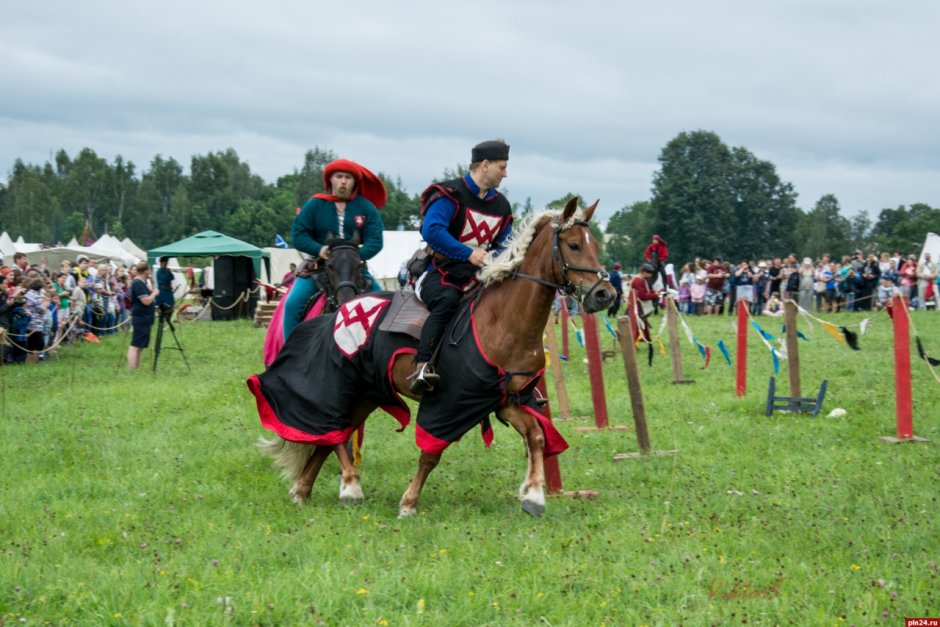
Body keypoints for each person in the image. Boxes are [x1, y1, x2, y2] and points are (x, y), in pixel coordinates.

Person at [410, 140, 513, 393]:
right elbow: (432, 230)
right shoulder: (450, 194)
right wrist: (467, 253)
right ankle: (423, 367)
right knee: (447, 300)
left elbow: (504, 243)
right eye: (502, 167)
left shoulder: (503, 206)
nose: (506, 173)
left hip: (480, 276)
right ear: (485, 165)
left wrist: (496, 260)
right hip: (439, 272)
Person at [281, 158, 387, 341]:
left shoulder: (365, 207)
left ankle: (382, 357)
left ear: (355, 182)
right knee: (292, 304)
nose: (343, 181)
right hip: (319, 268)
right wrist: (318, 249)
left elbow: (376, 240)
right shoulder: (315, 205)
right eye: (339, 176)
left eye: (348, 177)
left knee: (385, 305)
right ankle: (288, 356)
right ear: (330, 180)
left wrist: (354, 257)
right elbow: (298, 235)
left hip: (355, 271)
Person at [127, 261, 159, 369]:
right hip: (140, 317)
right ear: (146, 271)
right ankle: (132, 369)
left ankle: (136, 368)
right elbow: (146, 301)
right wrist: (154, 293)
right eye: (149, 269)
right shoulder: (138, 283)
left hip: (145, 317)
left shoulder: (142, 282)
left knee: (140, 345)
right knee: (135, 345)